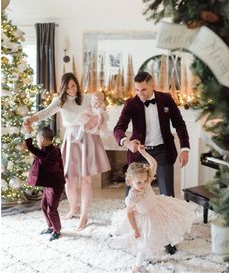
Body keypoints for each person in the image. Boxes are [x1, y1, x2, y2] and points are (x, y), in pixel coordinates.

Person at [113, 71, 190, 254]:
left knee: (167, 195)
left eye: (144, 89)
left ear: (152, 84)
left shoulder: (166, 99)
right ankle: (130, 234)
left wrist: (185, 149)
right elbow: (119, 128)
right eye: (137, 90)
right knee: (131, 198)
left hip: (163, 150)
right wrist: (127, 142)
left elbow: (180, 124)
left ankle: (169, 240)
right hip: (140, 151)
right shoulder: (131, 103)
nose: (140, 94)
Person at [24, 72, 111, 230]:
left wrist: (99, 95)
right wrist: (32, 119)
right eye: (68, 87)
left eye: (74, 85)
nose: (72, 89)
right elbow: (46, 112)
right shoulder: (60, 101)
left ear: (77, 85)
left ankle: (84, 216)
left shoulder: (85, 98)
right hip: (71, 140)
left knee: (86, 180)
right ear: (63, 88)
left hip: (87, 139)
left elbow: (99, 98)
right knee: (69, 180)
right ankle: (73, 208)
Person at [111, 145, 195, 273]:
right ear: (130, 181)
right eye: (139, 182)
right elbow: (129, 214)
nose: (143, 184)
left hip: (157, 208)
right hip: (144, 218)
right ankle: (137, 267)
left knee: (167, 226)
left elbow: (153, 163)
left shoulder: (147, 180)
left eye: (144, 181)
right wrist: (135, 229)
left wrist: (143, 152)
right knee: (144, 244)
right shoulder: (132, 195)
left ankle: (168, 244)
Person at [24, 126, 65, 241]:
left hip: (55, 185)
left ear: (42, 139)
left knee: (51, 209)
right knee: (44, 206)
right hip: (49, 184)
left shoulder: (51, 152)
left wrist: (28, 133)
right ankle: (50, 226)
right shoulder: (45, 150)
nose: (37, 142)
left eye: (37, 139)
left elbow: (31, 148)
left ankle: (57, 230)